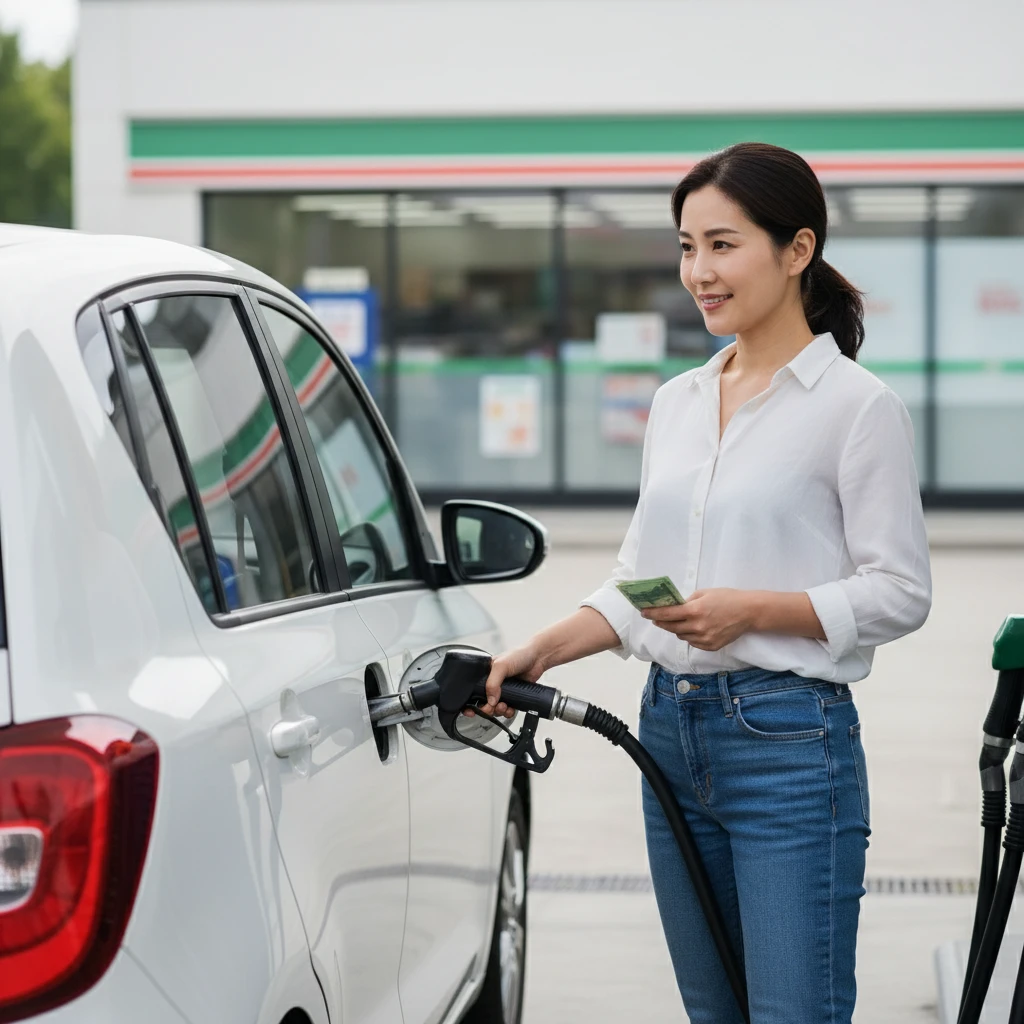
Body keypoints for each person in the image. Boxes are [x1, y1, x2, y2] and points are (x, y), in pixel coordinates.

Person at [476, 142, 932, 1023]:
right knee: (714, 1013)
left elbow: (900, 591)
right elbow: (640, 583)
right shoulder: (677, 401)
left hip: (789, 746)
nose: (699, 272)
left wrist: (753, 612)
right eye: (687, 247)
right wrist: (540, 651)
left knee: (793, 1012)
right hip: (669, 732)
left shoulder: (856, 406)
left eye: (723, 245)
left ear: (797, 250)